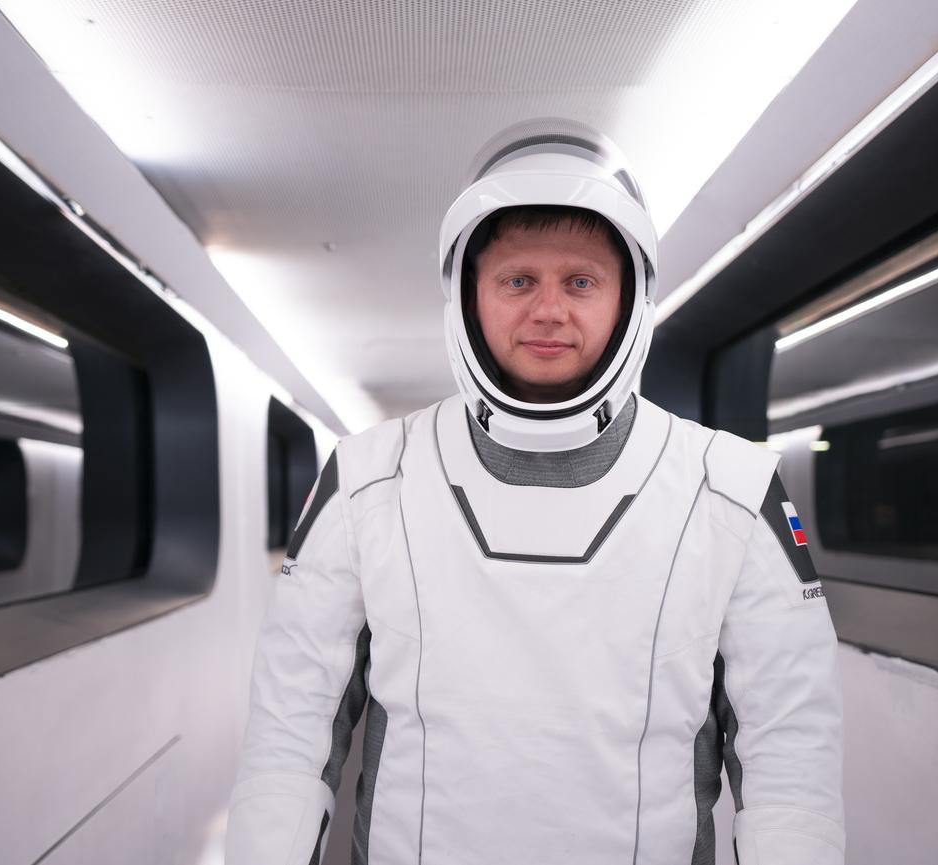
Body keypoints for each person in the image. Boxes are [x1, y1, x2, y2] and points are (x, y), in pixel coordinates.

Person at [226, 119, 844, 865]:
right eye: (518, 280)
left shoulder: (733, 489)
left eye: (580, 282)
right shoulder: (366, 478)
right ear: (467, 296)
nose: (549, 310)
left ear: (630, 298)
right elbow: (290, 728)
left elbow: (790, 758)